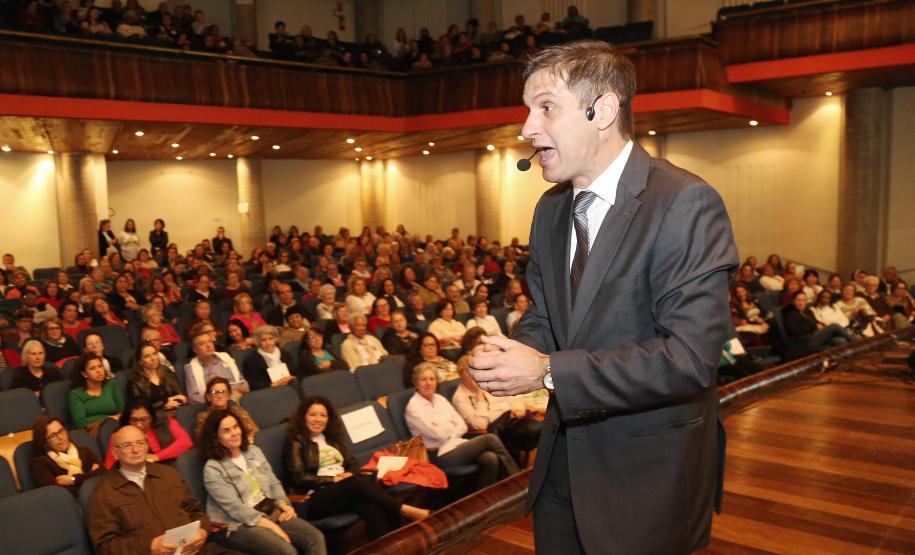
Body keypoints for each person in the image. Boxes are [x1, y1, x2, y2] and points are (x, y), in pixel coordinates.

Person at [468, 41, 738, 554]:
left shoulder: (684, 202)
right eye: (528, 110)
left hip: (648, 480)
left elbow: (689, 359)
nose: (526, 128)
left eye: (545, 107)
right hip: (561, 471)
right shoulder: (550, 210)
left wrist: (546, 370)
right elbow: (546, 315)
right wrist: (514, 355)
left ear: (604, 110)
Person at [283, 397, 429, 539]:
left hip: (345, 491)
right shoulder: (296, 440)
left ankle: (390, 547)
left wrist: (348, 474)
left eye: (323, 415)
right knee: (357, 483)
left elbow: (351, 462)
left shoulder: (331, 439)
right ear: (303, 416)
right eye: (312, 414)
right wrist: (333, 479)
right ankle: (405, 509)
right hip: (316, 496)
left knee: (374, 510)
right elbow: (299, 477)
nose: (318, 419)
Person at [199, 409, 327, 555]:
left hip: (269, 510)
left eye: (236, 427)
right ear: (216, 437)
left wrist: (284, 505)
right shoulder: (213, 468)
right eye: (226, 431)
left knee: (316, 537)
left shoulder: (253, 451)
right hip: (238, 524)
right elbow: (235, 508)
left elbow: (273, 483)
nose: (235, 433)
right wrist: (271, 526)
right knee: (286, 551)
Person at [89, 425, 227, 555]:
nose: (135, 450)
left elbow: (195, 511)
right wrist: (149, 547)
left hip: (194, 549)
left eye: (140, 443)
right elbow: (105, 546)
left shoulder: (168, 474)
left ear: (147, 446)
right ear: (115, 452)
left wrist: (202, 531)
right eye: (127, 445)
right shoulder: (103, 493)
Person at [405, 363, 519, 490]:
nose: (428, 383)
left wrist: (444, 428)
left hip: (457, 445)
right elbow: (437, 434)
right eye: (423, 379)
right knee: (490, 439)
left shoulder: (440, 399)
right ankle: (518, 481)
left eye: (432, 379)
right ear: (416, 383)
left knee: (490, 458)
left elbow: (462, 426)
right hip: (438, 455)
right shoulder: (413, 407)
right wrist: (450, 425)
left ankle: (484, 498)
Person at [452, 361, 543, 466]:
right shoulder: (460, 398)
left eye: (475, 371)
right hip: (495, 427)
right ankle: (525, 471)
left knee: (541, 428)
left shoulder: (487, 383)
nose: (474, 375)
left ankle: (530, 468)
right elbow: (480, 424)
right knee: (534, 432)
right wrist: (480, 397)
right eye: (469, 372)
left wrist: (518, 408)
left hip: (512, 417)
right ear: (461, 375)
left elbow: (511, 395)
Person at [103, 398, 193, 468]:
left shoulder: (166, 422)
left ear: (152, 417)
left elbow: (186, 442)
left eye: (144, 420)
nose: (139, 425)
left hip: (170, 469)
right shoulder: (119, 435)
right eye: (134, 420)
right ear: (127, 419)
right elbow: (109, 466)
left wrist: (157, 457)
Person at [30, 415, 105, 495]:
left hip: (100, 495)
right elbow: (57, 494)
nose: (60, 437)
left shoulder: (85, 451)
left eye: (61, 431)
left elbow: (104, 474)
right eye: (53, 435)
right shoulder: (40, 463)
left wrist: (73, 480)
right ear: (45, 442)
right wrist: (91, 476)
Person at [185, 326, 249, 404]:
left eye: (210, 342)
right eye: (202, 344)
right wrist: (220, 398)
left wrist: (243, 389)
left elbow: (243, 382)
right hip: (212, 406)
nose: (208, 345)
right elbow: (193, 397)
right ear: (195, 350)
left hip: (238, 399)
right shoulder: (191, 368)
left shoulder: (226, 358)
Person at [69, 352, 124, 432]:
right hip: (90, 432)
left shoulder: (111, 384)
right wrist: (109, 418)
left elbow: (121, 412)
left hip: (114, 428)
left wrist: (98, 419)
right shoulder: (75, 394)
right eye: (92, 368)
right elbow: (80, 423)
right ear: (84, 373)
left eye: (100, 366)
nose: (98, 371)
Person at [783, 291, 854, 349]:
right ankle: (855, 343)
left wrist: (821, 325)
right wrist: (814, 326)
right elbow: (795, 330)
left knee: (840, 341)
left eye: (803, 300)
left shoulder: (807, 311)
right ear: (793, 301)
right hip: (804, 340)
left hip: (815, 335)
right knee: (834, 326)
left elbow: (816, 322)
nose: (801, 303)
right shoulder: (790, 313)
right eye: (798, 300)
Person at [128, 343, 186, 411]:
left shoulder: (167, 372)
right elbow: (140, 408)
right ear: (140, 361)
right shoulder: (134, 382)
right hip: (153, 417)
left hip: (176, 411)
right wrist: (164, 402)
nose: (153, 358)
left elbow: (182, 397)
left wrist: (172, 403)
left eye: (154, 354)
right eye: (147, 356)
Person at [242, 325, 302, 390]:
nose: (268, 343)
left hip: (290, 386)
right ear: (258, 342)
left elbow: (295, 372)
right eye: (263, 340)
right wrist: (272, 385)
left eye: (270, 338)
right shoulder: (251, 360)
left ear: (275, 339)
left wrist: (291, 377)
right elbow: (253, 383)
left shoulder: (285, 354)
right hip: (270, 391)